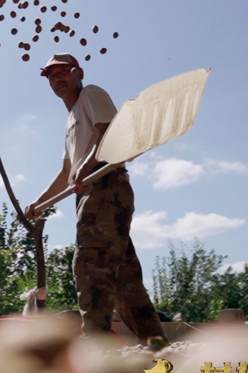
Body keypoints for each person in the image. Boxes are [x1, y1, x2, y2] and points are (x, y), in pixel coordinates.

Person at [24, 53, 167, 345]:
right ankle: (157, 345)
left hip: (104, 185)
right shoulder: (71, 118)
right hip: (91, 191)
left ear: (79, 72)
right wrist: (40, 203)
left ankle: (97, 348)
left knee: (90, 267)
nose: (56, 79)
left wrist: (86, 166)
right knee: (126, 281)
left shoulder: (91, 93)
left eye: (62, 72)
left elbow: (109, 133)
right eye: (51, 75)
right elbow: (67, 171)